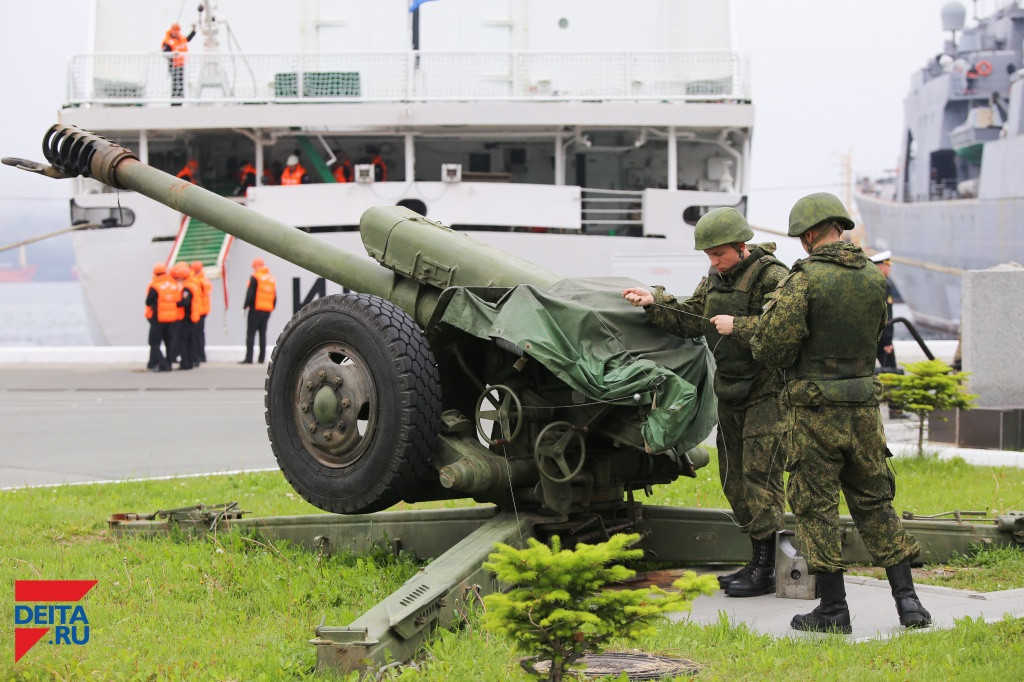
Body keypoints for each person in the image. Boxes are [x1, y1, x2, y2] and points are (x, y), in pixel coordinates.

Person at [750, 192, 931, 634]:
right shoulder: (873, 276)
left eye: (802, 238)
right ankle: (909, 605)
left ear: (811, 233)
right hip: (864, 410)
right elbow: (876, 334)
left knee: (816, 507)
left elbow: (772, 346)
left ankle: (833, 610)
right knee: (875, 501)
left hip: (815, 414)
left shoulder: (804, 279)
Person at [622, 207, 790, 597]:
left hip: (767, 392)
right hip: (730, 390)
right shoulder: (716, 278)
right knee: (734, 480)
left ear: (741, 246)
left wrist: (741, 327)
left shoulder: (773, 277)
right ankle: (756, 560)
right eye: (709, 255)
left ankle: (767, 569)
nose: (714, 262)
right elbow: (694, 317)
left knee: (760, 478)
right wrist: (653, 301)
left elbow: (786, 332)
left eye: (720, 254)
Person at [242, 257, 276, 364]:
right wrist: (270, 308)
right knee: (263, 334)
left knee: (251, 333)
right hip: (266, 310)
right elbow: (275, 297)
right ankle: (261, 358)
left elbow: (250, 294)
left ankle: (249, 358)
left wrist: (245, 306)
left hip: (255, 309)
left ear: (256, 266)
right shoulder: (271, 279)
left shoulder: (255, 277)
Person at [144, 263, 176, 371]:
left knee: (154, 342)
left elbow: (148, 302)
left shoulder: (155, 286)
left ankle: (163, 364)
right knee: (168, 341)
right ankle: (169, 363)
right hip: (171, 318)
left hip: (158, 318)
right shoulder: (173, 284)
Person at [870, 250, 897, 372]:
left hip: (869, 335)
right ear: (881, 267)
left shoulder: (870, 283)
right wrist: (888, 341)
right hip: (882, 337)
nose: (890, 269)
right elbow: (887, 315)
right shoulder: (884, 285)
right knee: (891, 372)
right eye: (888, 266)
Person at [171, 262, 200, 370]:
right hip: (193, 316)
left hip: (186, 318)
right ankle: (191, 361)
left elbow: (185, 302)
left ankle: (185, 363)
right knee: (190, 340)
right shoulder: (193, 284)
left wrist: (175, 302)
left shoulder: (186, 287)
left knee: (183, 340)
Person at [161, 22, 196, 103]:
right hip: (173, 65)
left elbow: (188, 39)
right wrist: (172, 54)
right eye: (175, 30)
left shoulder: (180, 38)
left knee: (180, 82)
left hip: (180, 65)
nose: (177, 32)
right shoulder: (168, 41)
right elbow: (165, 52)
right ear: (172, 30)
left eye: (178, 30)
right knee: (175, 83)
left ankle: (180, 99)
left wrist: (194, 31)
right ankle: (175, 100)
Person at [190, 261, 212, 363]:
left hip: (199, 311)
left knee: (196, 334)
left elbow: (197, 297)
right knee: (200, 334)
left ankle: (198, 356)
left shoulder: (197, 281)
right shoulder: (206, 280)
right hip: (204, 310)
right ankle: (202, 355)